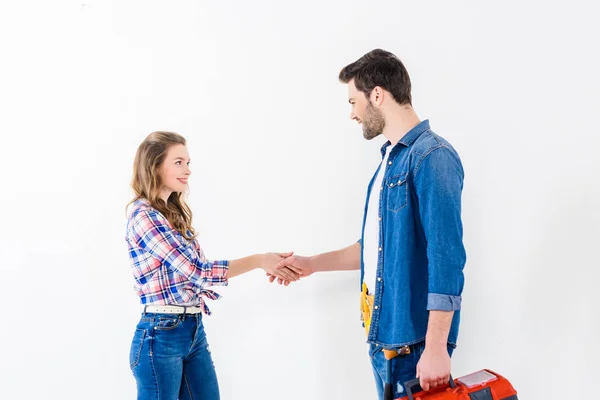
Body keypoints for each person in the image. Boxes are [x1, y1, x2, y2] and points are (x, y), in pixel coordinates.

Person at [271, 49, 466, 399]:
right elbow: (375, 248)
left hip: (414, 348)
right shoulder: (389, 161)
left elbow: (446, 257)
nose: (352, 114)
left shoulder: (432, 156)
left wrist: (437, 347)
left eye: (353, 101)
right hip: (384, 340)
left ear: (377, 94)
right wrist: (312, 265)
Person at [125, 131, 299, 400]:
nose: (188, 170)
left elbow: (197, 270)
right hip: (160, 337)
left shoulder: (171, 215)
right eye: (179, 162)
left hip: (192, 329)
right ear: (155, 165)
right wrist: (259, 260)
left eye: (188, 162)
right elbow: (198, 272)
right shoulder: (144, 216)